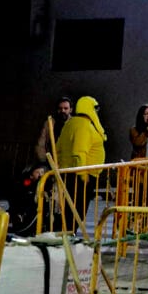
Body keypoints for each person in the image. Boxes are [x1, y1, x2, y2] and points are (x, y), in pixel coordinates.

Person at [55, 95, 108, 225]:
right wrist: (83, 175)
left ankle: (67, 232)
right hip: (82, 176)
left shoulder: (72, 123)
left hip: (71, 173)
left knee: (71, 208)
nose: (96, 112)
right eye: (95, 108)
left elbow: (59, 147)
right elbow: (79, 152)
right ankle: (69, 233)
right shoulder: (83, 125)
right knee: (76, 208)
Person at [33, 95, 73, 169]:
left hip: (69, 163)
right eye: (60, 108)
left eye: (65, 108)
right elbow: (41, 143)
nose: (62, 111)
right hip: (51, 161)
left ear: (70, 110)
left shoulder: (74, 124)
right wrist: (44, 161)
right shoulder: (49, 123)